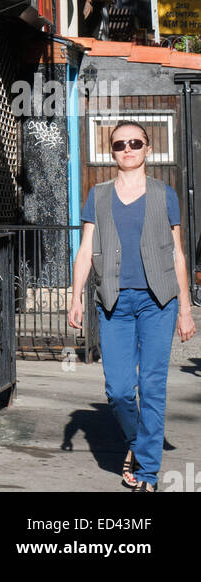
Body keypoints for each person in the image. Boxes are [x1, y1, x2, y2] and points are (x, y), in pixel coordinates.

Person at [68, 120, 196, 492]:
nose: (127, 149)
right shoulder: (100, 194)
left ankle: (146, 472)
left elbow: (177, 255)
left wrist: (185, 309)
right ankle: (138, 443)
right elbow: (86, 250)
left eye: (135, 143)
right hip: (114, 302)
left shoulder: (164, 194)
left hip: (158, 302)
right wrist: (75, 297)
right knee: (120, 389)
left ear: (147, 149)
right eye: (120, 144)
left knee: (152, 386)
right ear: (112, 152)